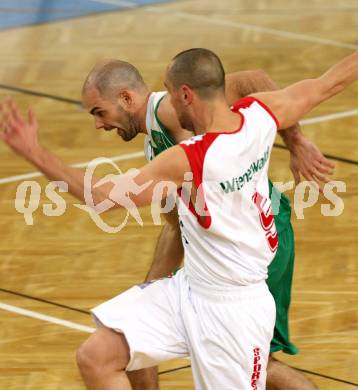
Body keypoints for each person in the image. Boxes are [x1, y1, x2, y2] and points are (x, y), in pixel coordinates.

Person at [0, 59, 335, 389]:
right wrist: (153, 286)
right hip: (220, 256)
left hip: (257, 239)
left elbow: (254, 80)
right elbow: (176, 225)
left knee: (260, 364)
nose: (99, 126)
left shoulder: (168, 111)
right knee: (129, 340)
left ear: (127, 99)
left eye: (100, 112)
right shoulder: (155, 149)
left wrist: (296, 142)